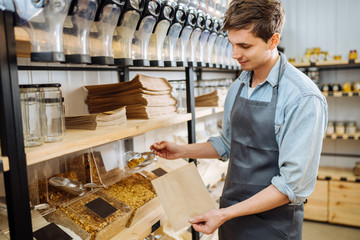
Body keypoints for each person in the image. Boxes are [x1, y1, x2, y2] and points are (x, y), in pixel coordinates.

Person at [151, 0, 328, 239]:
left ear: (273, 41)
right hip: (231, 215)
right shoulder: (238, 86)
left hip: (273, 225)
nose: (235, 55)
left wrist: (224, 214)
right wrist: (181, 151)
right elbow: (228, 143)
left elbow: (291, 187)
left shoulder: (302, 98)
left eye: (245, 45)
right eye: (232, 44)